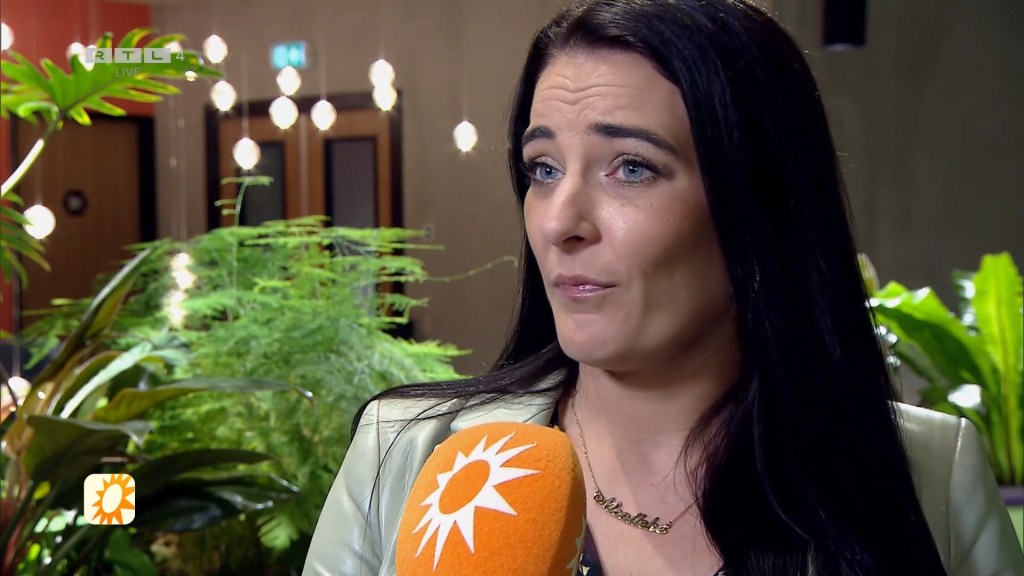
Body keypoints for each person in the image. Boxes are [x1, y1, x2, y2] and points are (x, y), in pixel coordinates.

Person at [303, 1, 1024, 574]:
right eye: (544, 168)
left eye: (631, 168)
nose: (559, 222)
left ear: (756, 206)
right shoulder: (407, 454)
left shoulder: (927, 477)